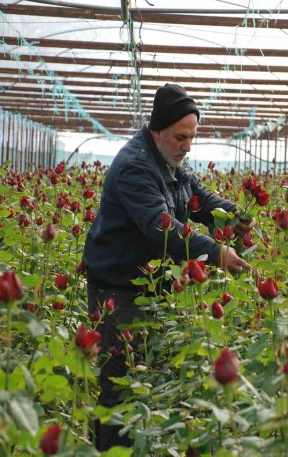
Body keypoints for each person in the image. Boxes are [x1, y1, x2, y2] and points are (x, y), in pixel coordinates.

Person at [82, 83, 252, 450]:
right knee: (118, 385)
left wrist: (233, 213)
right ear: (157, 130)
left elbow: (197, 195)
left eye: (192, 137)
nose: (187, 145)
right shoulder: (135, 166)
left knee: (141, 375)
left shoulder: (167, 157)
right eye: (181, 137)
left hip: (147, 284)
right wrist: (217, 253)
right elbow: (163, 229)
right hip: (117, 288)